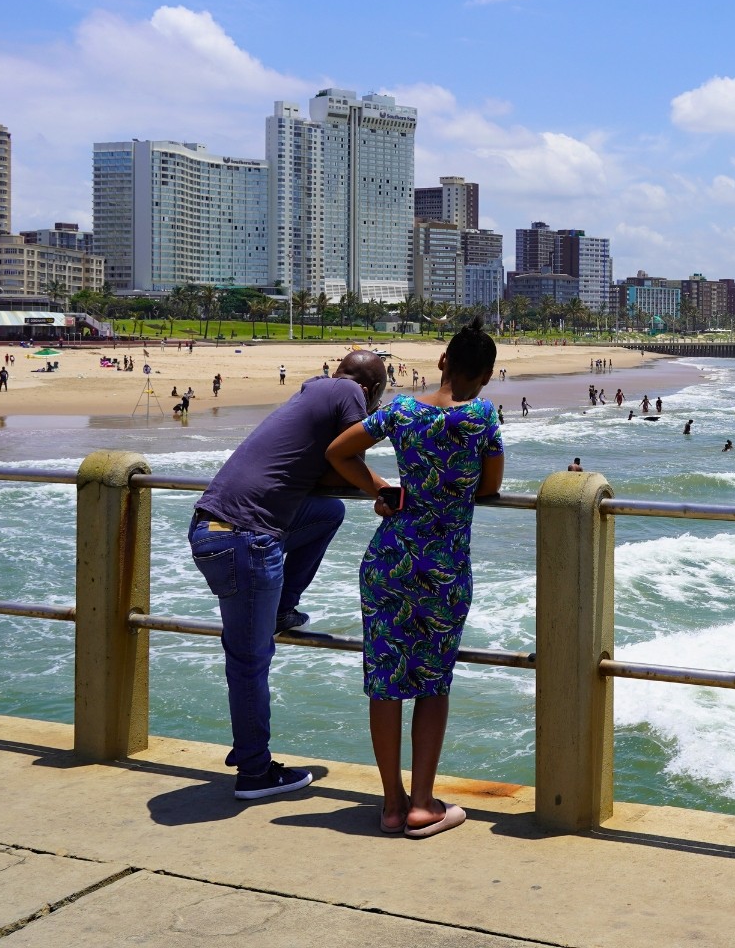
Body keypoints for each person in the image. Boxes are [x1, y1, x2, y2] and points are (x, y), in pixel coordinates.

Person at [326, 318, 503, 838]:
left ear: (443, 361)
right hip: (443, 568)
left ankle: (391, 804)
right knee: (432, 684)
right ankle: (423, 805)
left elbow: (337, 451)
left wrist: (378, 486)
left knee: (385, 685)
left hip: (388, 559)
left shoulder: (401, 410)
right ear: (487, 376)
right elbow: (490, 485)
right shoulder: (481, 417)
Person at [187, 348, 387, 801]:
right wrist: (382, 488)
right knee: (249, 663)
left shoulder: (316, 392)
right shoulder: (349, 392)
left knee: (329, 512)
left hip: (212, 526)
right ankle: (255, 772)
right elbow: (348, 455)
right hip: (246, 540)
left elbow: (329, 480)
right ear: (371, 389)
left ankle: (281, 609)